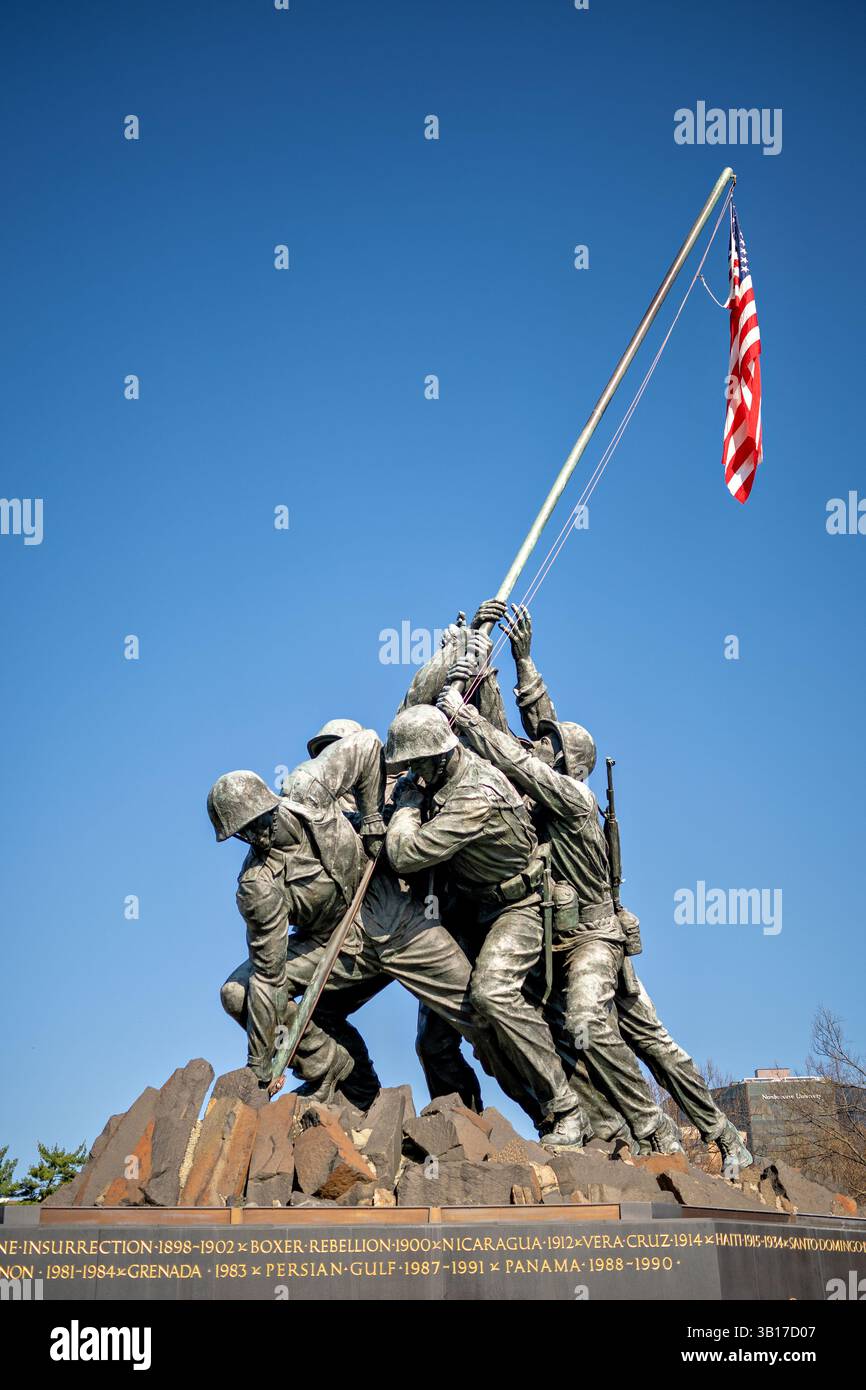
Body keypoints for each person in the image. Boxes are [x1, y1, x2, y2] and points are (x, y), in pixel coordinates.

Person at [384, 704, 590, 1148]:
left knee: (492, 994)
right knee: (433, 1039)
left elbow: (405, 854)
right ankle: (458, 1132)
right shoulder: (442, 775)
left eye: (418, 763)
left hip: (519, 907)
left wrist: (405, 809)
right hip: (467, 909)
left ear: (442, 755)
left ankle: (565, 1107)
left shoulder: (475, 793)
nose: (413, 773)